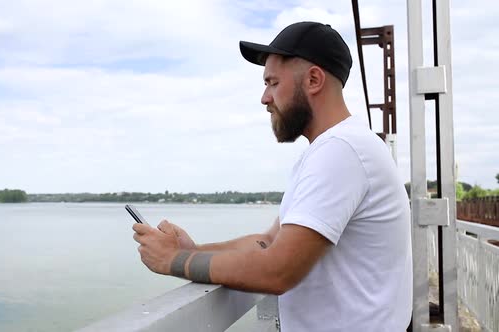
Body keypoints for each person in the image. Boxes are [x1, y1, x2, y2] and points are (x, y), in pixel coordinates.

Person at [132, 21, 412, 331]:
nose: (265, 98)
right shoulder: (339, 148)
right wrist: (192, 251)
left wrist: (173, 260)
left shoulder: (341, 150)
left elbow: (277, 270)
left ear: (314, 80)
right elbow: (268, 242)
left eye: (273, 82)